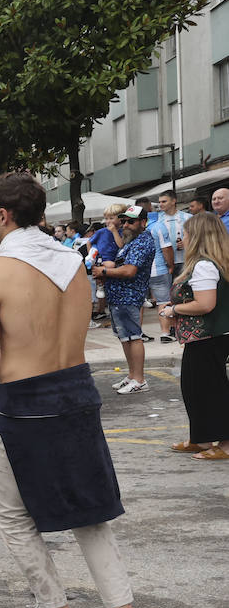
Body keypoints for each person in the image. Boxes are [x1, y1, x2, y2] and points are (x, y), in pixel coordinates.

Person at [0, 171, 150, 608]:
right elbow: (46, 337)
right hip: (75, 392)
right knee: (89, 509)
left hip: (25, 405)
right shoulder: (71, 262)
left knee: (12, 513)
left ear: (4, 215)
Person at [159, 212, 229, 459]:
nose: (182, 238)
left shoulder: (204, 265)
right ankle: (202, 438)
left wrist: (173, 309)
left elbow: (206, 304)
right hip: (206, 336)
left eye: (185, 233)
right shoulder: (208, 264)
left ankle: (225, 444)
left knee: (209, 389)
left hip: (208, 335)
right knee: (196, 388)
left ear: (197, 236)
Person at [92, 206, 156, 394]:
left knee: (133, 337)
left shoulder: (142, 241)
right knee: (125, 337)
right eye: (124, 221)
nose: (126, 224)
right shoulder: (131, 240)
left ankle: (139, 379)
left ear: (143, 222)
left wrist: (104, 271)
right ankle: (132, 376)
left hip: (128, 296)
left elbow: (130, 270)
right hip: (120, 296)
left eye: (131, 221)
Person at [152, 190, 190, 343]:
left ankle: (182, 325)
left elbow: (196, 238)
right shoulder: (156, 221)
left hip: (184, 260)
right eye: (159, 202)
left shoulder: (187, 218)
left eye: (164, 201)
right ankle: (170, 328)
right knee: (168, 296)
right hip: (166, 264)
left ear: (174, 201)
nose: (161, 205)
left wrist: (186, 243)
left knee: (184, 294)